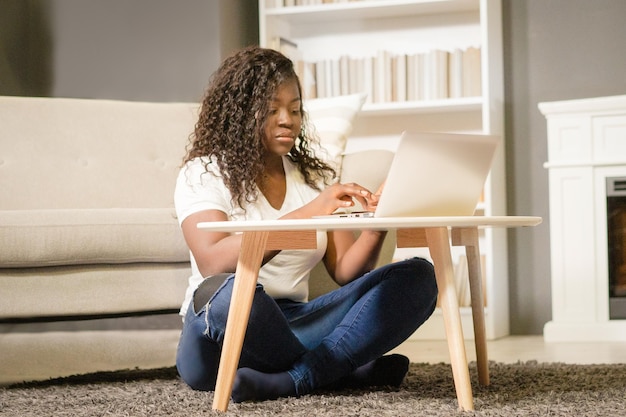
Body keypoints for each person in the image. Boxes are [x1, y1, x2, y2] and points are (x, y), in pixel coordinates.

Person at [174, 45, 438, 403]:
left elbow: (346, 270)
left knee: (419, 277)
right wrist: (313, 211)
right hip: (219, 333)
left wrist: (378, 223)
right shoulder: (203, 173)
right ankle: (339, 370)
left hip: (296, 323)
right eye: (271, 110)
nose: (288, 119)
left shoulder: (313, 179)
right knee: (229, 292)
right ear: (238, 113)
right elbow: (213, 262)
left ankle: (296, 379)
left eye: (295, 109)